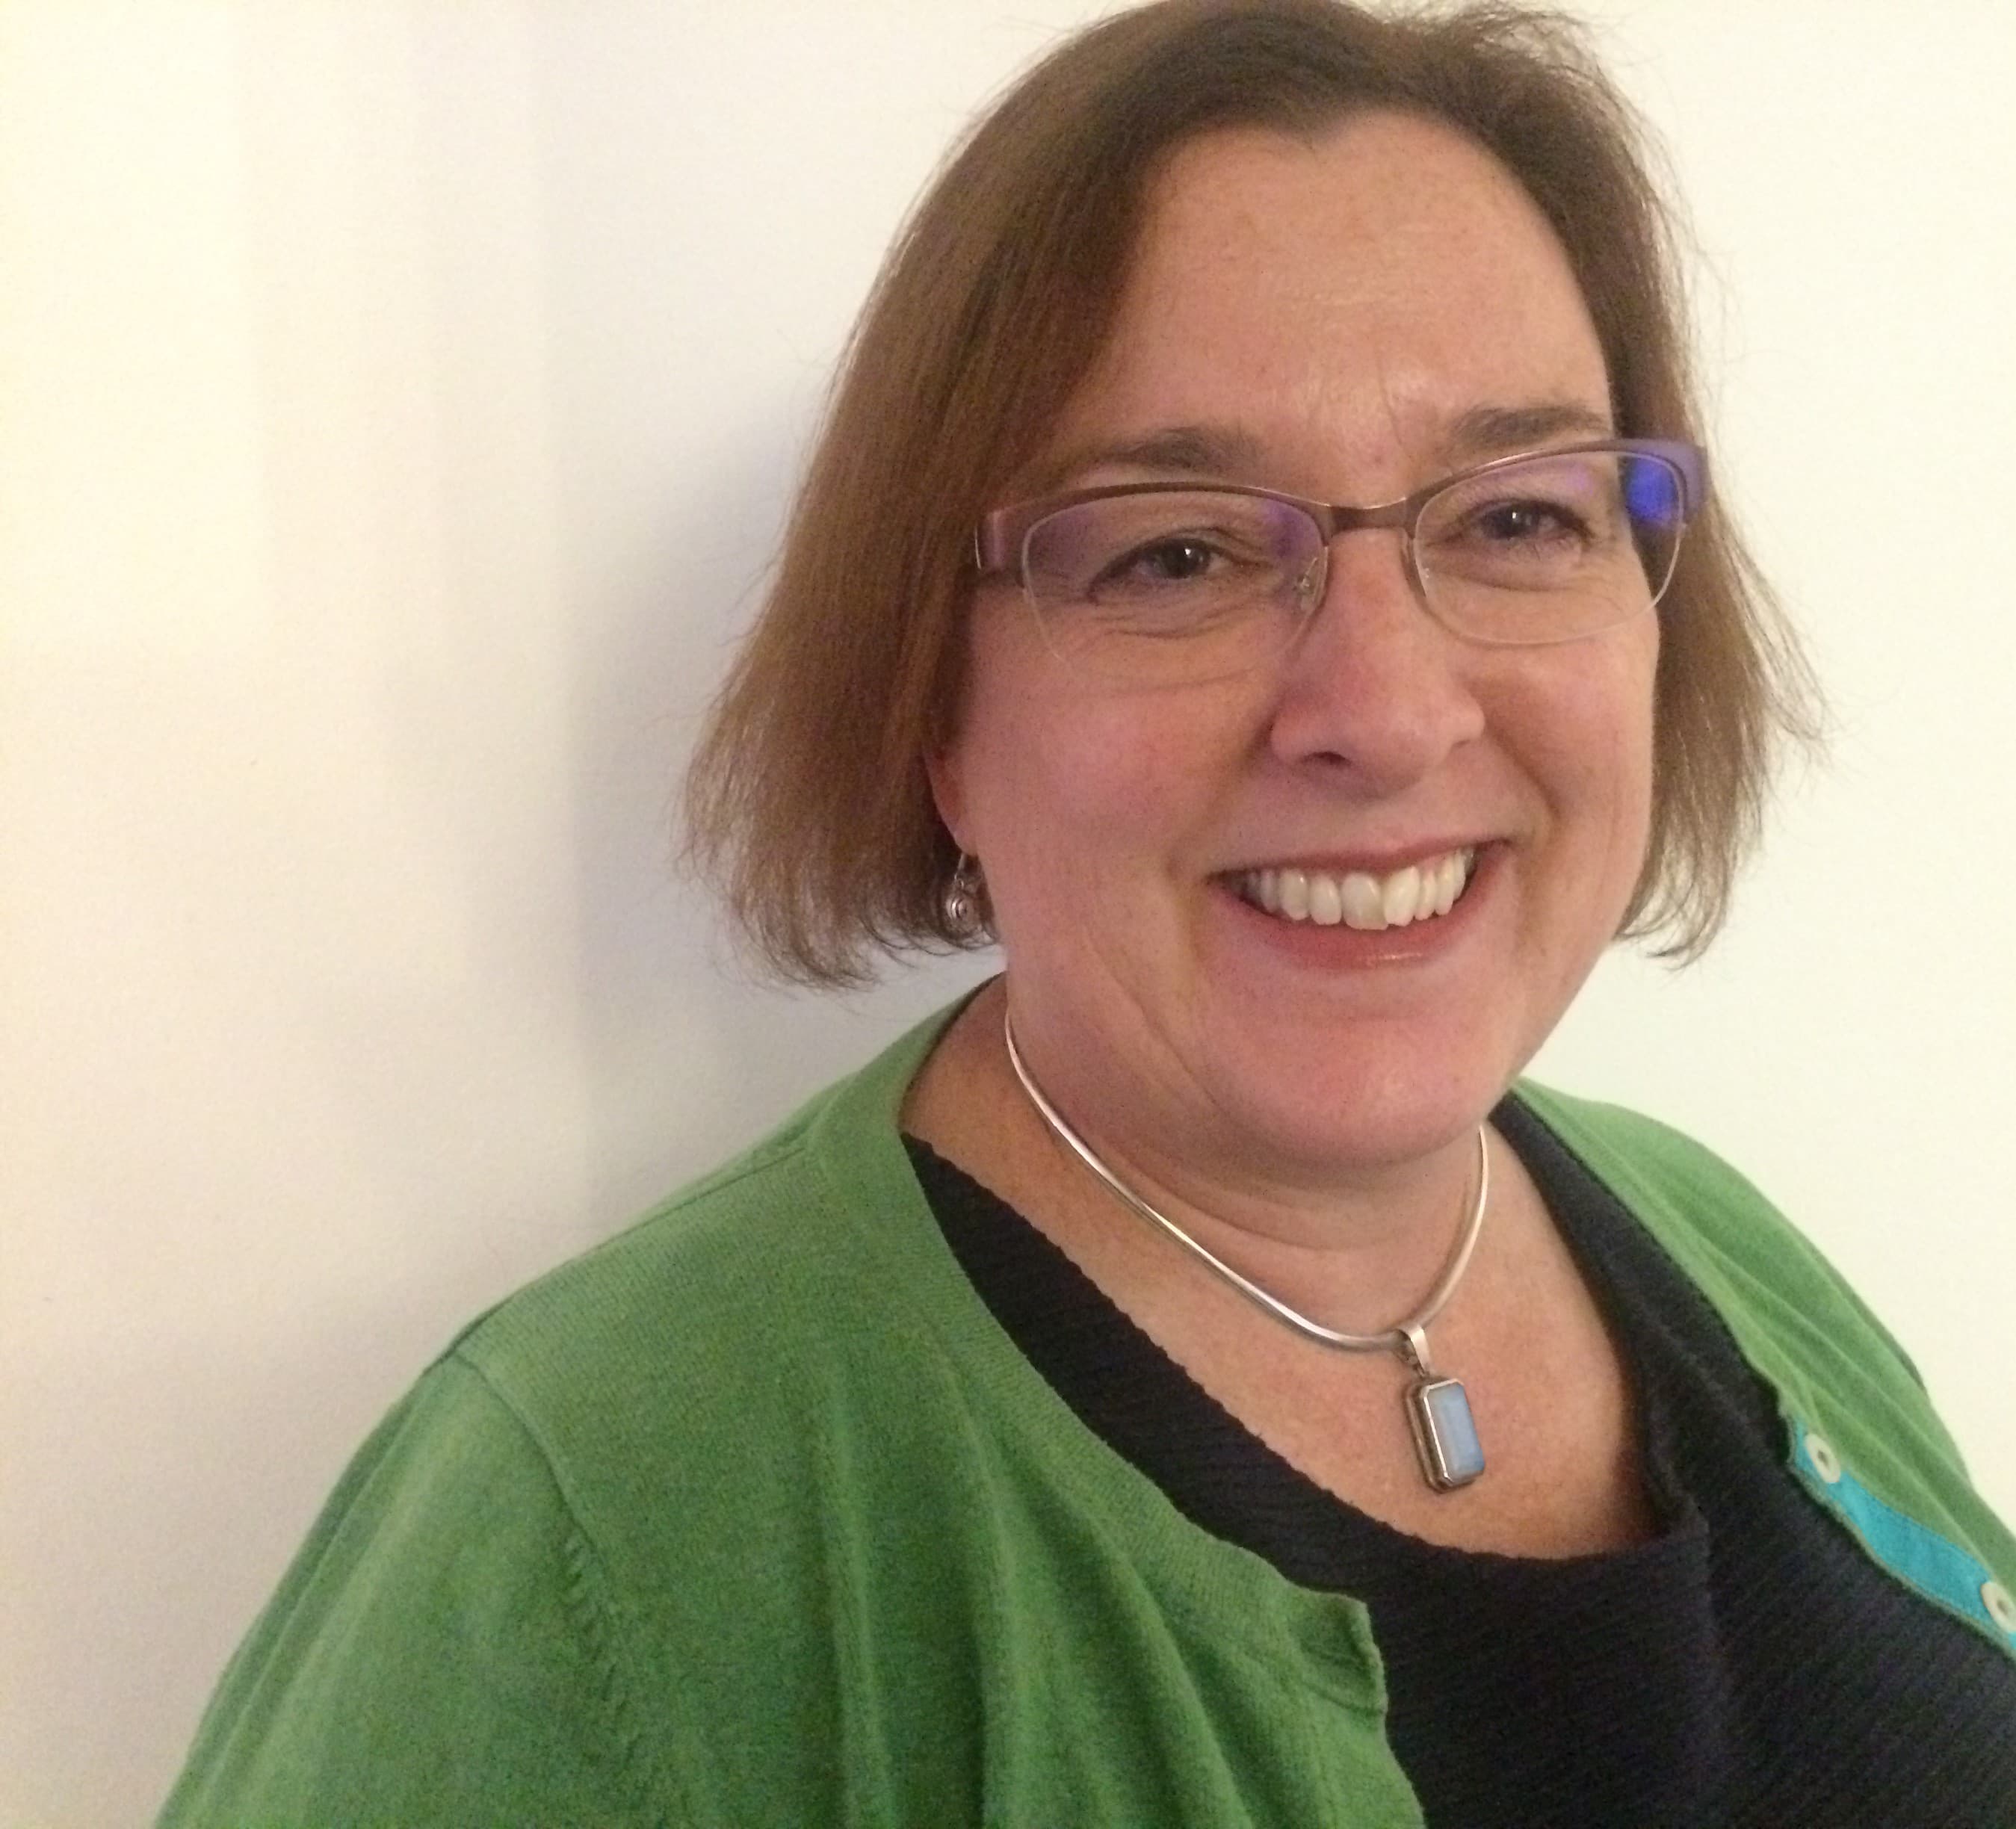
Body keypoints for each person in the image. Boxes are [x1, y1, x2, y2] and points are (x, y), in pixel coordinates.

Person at [158, 1, 2016, 1823]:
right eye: (1176, 552)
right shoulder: (595, 1537)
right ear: (933, 709)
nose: (1382, 710)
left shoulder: (1713, 1243)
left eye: (1517, 519)